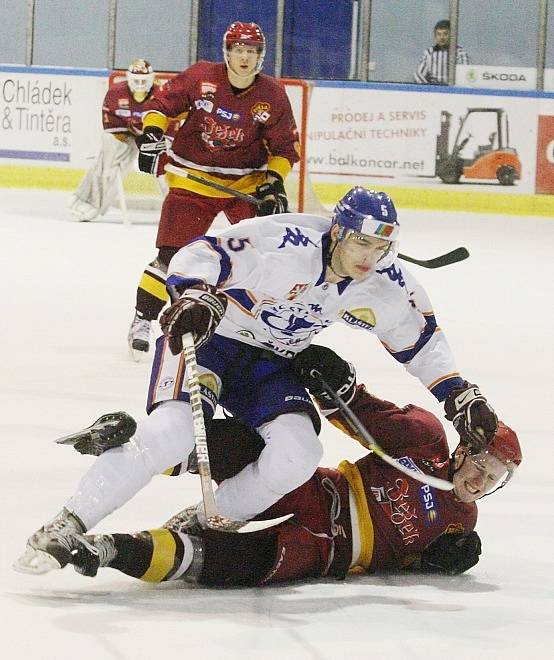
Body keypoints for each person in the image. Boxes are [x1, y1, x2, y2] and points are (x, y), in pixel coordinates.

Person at [15, 185, 499, 575]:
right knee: (172, 434)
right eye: (361, 242)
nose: (369, 257)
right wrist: (197, 297)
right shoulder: (284, 242)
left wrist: (459, 394)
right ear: (338, 231)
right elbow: (198, 253)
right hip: (213, 338)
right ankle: (66, 523)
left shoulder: (382, 280)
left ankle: (204, 522)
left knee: (299, 454)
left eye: (380, 246)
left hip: (269, 362)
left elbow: (420, 340)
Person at [15, 345, 521, 584]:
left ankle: (106, 551)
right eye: (481, 465)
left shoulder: (462, 522)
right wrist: (336, 383)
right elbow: (358, 412)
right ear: (461, 449)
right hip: (323, 494)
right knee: (260, 453)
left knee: (223, 565)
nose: (480, 481)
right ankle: (141, 441)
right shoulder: (423, 435)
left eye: (494, 479)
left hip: (325, 555)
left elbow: (400, 563)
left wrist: (440, 562)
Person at [128, 21, 300, 358]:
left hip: (244, 183)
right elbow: (161, 106)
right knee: (171, 257)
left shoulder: (273, 95)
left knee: (261, 259)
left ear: (260, 56)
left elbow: (284, 150)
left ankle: (255, 330)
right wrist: (151, 134)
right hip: (193, 179)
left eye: (251, 51)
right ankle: (142, 319)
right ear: (227, 53)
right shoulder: (201, 76)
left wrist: (272, 184)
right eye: (238, 50)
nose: (244, 57)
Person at [69, 59, 158, 222]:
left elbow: (170, 125)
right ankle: (90, 202)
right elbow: (110, 127)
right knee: (107, 156)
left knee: (168, 165)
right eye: (136, 80)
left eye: (143, 80)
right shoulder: (116, 94)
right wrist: (121, 146)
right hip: (125, 134)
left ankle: (178, 211)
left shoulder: (161, 95)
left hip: (153, 137)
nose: (139, 84)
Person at [414, 20, 469, 85]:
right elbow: (418, 75)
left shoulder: (460, 53)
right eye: (439, 34)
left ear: (452, 35)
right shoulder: (429, 52)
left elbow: (465, 75)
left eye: (445, 34)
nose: (442, 37)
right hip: (433, 91)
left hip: (454, 92)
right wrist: (431, 90)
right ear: (435, 36)